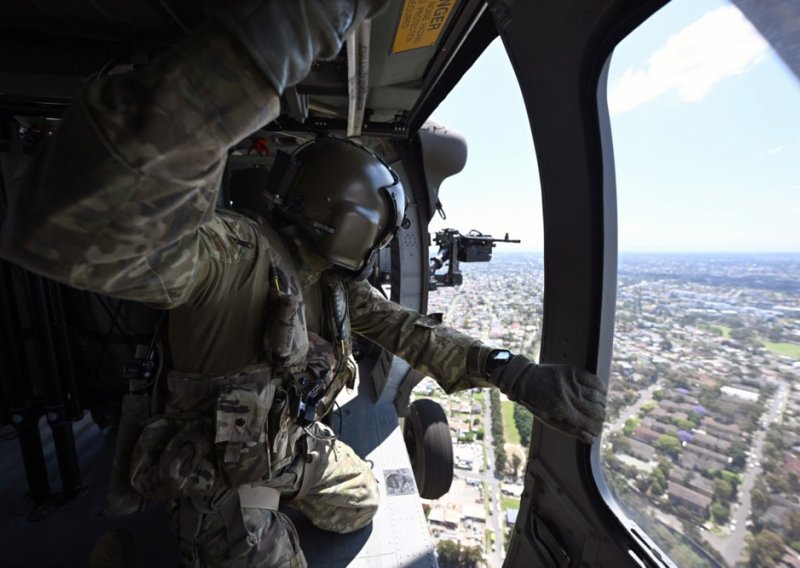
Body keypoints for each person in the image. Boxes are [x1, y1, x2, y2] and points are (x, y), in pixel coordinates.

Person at [0, 1, 608, 566]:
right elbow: (90, 233)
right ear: (353, 226)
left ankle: (279, 488)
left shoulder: (331, 284)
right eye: (375, 235)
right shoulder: (238, 254)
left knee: (362, 504)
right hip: (217, 471)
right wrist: (267, 48)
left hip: (286, 444)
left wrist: (509, 370)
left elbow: (412, 332)